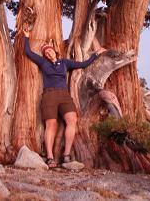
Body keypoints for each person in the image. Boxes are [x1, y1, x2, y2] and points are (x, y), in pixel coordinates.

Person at [24, 29, 106, 168]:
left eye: (49, 50)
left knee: (72, 120)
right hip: (49, 95)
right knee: (51, 125)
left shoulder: (65, 63)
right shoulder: (44, 64)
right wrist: (26, 37)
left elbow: (83, 64)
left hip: (64, 95)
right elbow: (28, 52)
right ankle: (50, 157)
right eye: (45, 52)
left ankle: (66, 155)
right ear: (44, 56)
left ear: (54, 52)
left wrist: (96, 54)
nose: (48, 52)